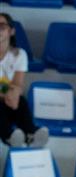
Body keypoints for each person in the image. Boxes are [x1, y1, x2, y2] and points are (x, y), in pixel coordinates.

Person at [0, 13, 47, 148]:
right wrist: (9, 93)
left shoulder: (20, 54)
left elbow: (18, 85)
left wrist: (12, 94)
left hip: (8, 101)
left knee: (21, 101)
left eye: (2, 26)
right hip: (4, 100)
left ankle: (31, 134)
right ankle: (9, 136)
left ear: (11, 31)